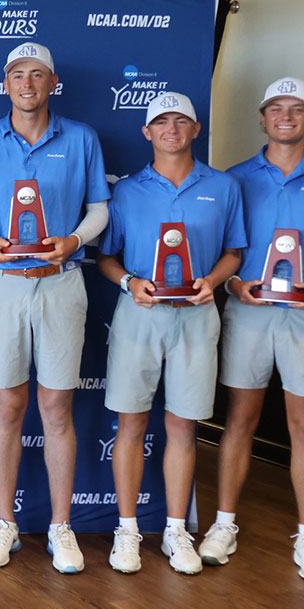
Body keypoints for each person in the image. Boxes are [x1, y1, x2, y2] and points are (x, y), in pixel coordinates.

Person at [198, 78, 304, 584]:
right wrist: (231, 283)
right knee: (240, 420)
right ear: (262, 118)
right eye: (276, 107)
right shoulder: (233, 179)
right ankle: (223, 525)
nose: (286, 116)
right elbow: (223, 249)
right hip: (249, 312)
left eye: (298, 109)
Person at [0, 42, 110, 573]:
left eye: (37, 75)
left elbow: (99, 210)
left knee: (56, 408)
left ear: (53, 82)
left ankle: (61, 527)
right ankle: (5, 524)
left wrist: (73, 240)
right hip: (1, 283)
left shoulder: (82, 138)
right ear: (5, 83)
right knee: (7, 406)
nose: (27, 83)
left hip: (62, 282)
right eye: (17, 74)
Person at [96, 91, 246, 576]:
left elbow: (234, 253)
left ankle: (176, 530)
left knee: (183, 425)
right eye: (161, 122)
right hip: (139, 313)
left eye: (181, 121)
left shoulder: (222, 187)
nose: (171, 129)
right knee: (132, 423)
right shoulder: (127, 191)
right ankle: (126, 530)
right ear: (147, 132)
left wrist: (213, 280)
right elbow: (106, 257)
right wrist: (128, 281)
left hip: (197, 315)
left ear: (196, 129)